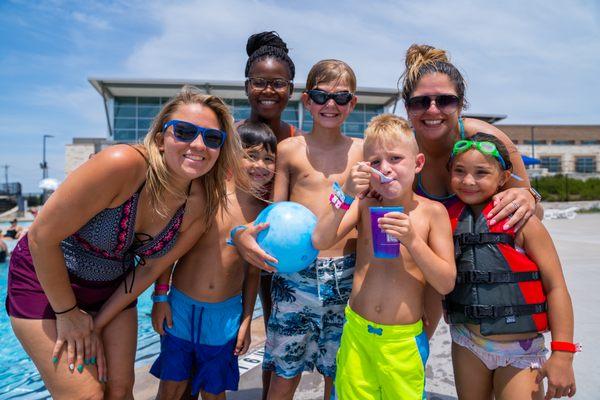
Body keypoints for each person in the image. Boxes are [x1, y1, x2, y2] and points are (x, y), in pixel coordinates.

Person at [6, 86, 248, 400]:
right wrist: (68, 314)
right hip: (45, 280)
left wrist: (95, 324)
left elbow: (150, 270)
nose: (199, 144)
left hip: (111, 289)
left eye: (212, 138)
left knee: (120, 391)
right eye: (185, 132)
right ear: (161, 139)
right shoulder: (123, 165)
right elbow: (40, 236)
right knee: (87, 396)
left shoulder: (199, 204)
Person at [232, 59, 362, 400]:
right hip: (295, 277)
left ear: (353, 103)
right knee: (284, 371)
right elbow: (276, 214)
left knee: (341, 371)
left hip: (347, 277)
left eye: (340, 97)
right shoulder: (290, 150)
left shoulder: (363, 151)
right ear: (307, 101)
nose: (329, 105)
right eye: (320, 96)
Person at [401, 44, 544, 337]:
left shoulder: (487, 139)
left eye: (445, 101)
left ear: (461, 103)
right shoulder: (401, 151)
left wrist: (528, 196)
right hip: (425, 260)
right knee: (413, 343)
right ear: (407, 107)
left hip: (481, 263)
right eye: (420, 103)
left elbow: (535, 214)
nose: (432, 110)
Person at [312, 114, 456, 399]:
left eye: (395, 159)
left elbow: (445, 283)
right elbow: (321, 239)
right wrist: (346, 193)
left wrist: (413, 240)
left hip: (401, 342)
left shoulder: (431, 214)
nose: (384, 169)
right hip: (357, 334)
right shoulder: (365, 203)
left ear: (418, 163)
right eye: (375, 162)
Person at [149, 121, 276, 400]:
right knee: (171, 387)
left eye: (269, 159)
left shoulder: (264, 216)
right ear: (232, 155)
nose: (261, 165)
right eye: (251, 155)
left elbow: (253, 275)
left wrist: (245, 321)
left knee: (214, 391)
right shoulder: (206, 196)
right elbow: (170, 251)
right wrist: (160, 299)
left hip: (225, 317)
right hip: (181, 307)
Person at [444, 132, 576, 399]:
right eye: (460, 171)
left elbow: (556, 286)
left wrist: (563, 353)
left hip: (521, 351)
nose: (468, 181)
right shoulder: (445, 218)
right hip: (467, 342)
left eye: (481, 172)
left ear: (503, 177)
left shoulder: (524, 222)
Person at [238, 31, 298, 396]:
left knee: (276, 337)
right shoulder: (230, 138)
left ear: (290, 89)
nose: (268, 91)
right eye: (260, 82)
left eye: (278, 83)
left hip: (277, 253)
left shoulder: (296, 143)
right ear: (247, 86)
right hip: (230, 251)